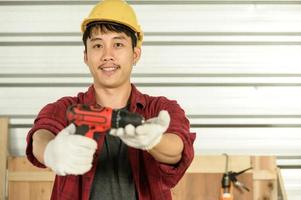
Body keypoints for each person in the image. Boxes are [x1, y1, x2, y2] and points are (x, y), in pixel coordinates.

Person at [26, 0, 196, 199]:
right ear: (86, 56)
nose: (107, 55)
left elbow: (179, 148)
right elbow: (41, 134)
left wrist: (155, 140)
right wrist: (50, 151)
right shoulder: (68, 108)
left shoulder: (159, 109)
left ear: (135, 54)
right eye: (97, 45)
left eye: (118, 44)